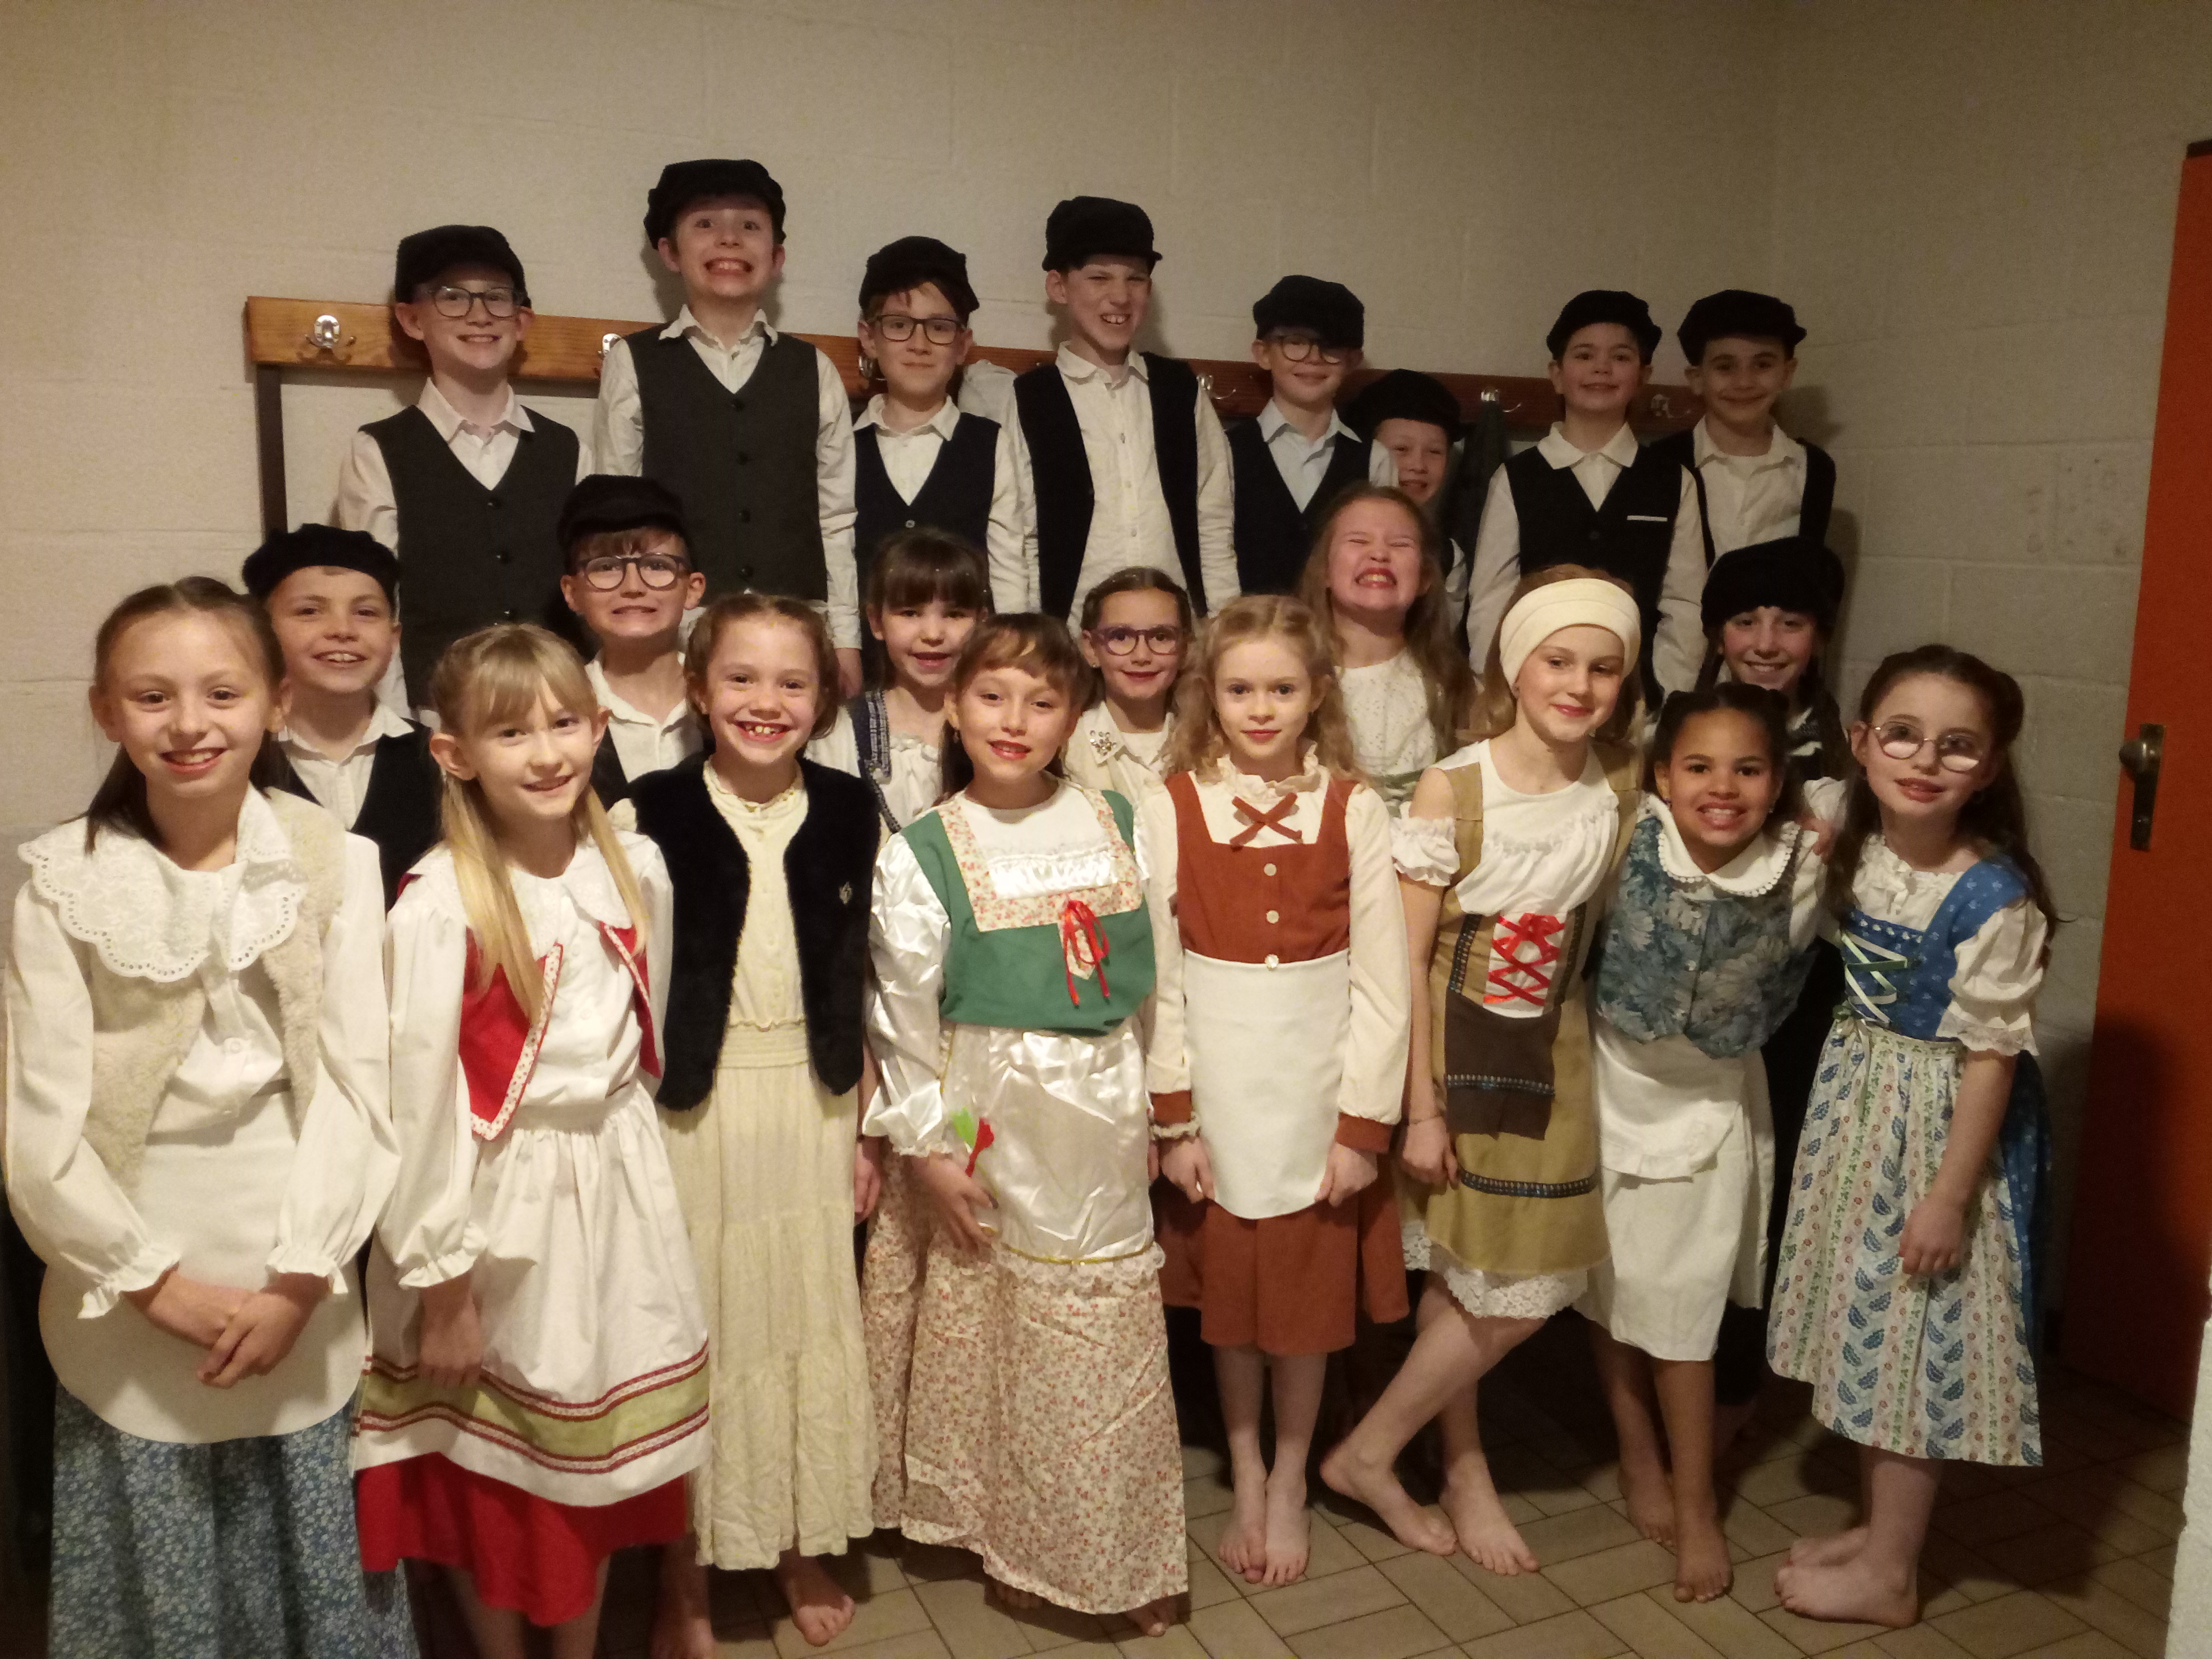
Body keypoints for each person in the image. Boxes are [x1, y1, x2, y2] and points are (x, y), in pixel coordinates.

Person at [5, 578, 405, 1657]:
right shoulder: (60, 883)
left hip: (297, 1256)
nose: (189, 724)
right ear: (107, 711)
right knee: (163, 1568)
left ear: (276, 703)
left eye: (222, 693)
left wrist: (299, 1278)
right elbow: (38, 1126)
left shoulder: (336, 862)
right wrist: (152, 1283)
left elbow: (360, 1086)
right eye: (152, 697)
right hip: (131, 1267)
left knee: (313, 1553)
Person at [353, 625, 707, 1659]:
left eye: (563, 723)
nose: (547, 752)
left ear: (599, 728)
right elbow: (419, 1106)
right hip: (494, 1209)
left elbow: (645, 1036)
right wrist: (441, 1283)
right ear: (455, 753)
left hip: (613, 1189)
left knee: (583, 1467)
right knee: (495, 1467)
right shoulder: (442, 905)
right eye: (511, 733)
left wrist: (620, 1160)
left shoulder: (633, 866)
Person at [863, 616, 1184, 1636]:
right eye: (992, 696)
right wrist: (930, 1149)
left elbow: (1160, 980)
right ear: (954, 709)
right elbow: (904, 1020)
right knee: (996, 1322)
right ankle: (999, 1532)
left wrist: (1166, 1108)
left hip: (1103, 1104)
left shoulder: (1119, 820)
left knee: (1096, 1337)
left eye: (1043, 702)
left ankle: (1105, 1550)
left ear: (1074, 716)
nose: (1015, 721)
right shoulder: (924, 850)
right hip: (986, 1100)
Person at [1319, 571, 1642, 1576]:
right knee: (1477, 1273)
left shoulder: (1621, 783)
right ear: (1515, 666)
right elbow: (1406, 959)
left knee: (1516, 1282)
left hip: (1553, 1049)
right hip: (1455, 1051)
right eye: (1558, 661)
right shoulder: (1453, 787)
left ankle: (1388, 1452)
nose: (1578, 685)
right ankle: (1447, 1462)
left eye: (1603, 668)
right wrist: (1418, 1108)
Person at [1766, 646, 2054, 1630]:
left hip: (1934, 1132)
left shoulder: (1994, 898)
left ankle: (1892, 1574)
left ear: (1991, 766)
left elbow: (1991, 1062)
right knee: (1869, 1331)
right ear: (1861, 742)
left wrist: (1947, 1197)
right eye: (1903, 735)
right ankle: (1878, 1531)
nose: (1926, 760)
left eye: (1958, 746)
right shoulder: (1861, 844)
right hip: (1860, 1111)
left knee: (1909, 1349)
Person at [617, 594, 881, 1653]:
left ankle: (793, 1541)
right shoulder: (649, 810)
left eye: (791, 682)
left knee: (802, 1318)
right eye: (740, 678)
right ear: (697, 688)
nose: (764, 701)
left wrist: (868, 1126)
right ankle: (683, 1568)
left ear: (823, 699)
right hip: (697, 1111)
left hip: (813, 1105)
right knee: (705, 1326)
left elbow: (871, 978)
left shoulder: (853, 809)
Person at [1146, 595, 1411, 1587]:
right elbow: (1160, 975)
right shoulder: (1173, 804)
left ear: (1318, 695)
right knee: (1232, 1302)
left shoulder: (1354, 807)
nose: (1261, 709)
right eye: (1240, 689)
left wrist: (1361, 1128)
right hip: (1217, 1095)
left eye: (1283, 689)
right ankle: (1247, 1468)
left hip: (1314, 1093)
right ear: (1209, 697)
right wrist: (1175, 1117)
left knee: (1303, 1303)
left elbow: (1383, 985)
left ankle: (1294, 1473)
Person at [1577, 683, 1837, 1603]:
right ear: (1662, 776)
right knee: (1609, 1283)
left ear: (1778, 784)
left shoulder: (1804, 868)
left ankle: (1697, 1504)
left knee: (1684, 1310)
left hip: (1712, 1104)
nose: (1721, 787)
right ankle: (1635, 1449)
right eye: (1698, 766)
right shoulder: (1625, 839)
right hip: (1610, 1085)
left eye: (1748, 769)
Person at [593, 159, 863, 695]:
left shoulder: (813, 369)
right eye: (704, 224)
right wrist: (628, 637)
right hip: (679, 635)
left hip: (797, 630)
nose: (729, 239)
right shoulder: (633, 362)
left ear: (776, 256)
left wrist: (847, 642)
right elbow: (616, 516)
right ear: (670, 252)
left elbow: (836, 520)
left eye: (749, 225)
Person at [1695, 539, 1854, 1440]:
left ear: (1819, 635)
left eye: (1789, 622)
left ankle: (1733, 1393)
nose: (1765, 642)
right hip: (1684, 993)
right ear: (1716, 633)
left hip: (1797, 1002)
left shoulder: (1848, 756)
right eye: (1746, 621)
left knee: (1766, 1185)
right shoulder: (1674, 732)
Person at [338, 224, 589, 713]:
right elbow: (376, 606)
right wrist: (398, 729)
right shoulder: (377, 451)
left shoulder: (569, 449)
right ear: (412, 319)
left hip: (556, 709)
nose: (479, 314)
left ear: (521, 320)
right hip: (437, 718)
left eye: (496, 297)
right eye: (452, 297)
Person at [1463, 291, 1705, 706]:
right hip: (1536, 698)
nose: (1602, 368)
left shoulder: (1672, 481)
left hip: (1637, 701)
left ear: (1643, 376)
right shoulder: (1516, 479)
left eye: (1621, 357)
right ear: (1557, 374)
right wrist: (1501, 690)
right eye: (1584, 355)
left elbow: (1685, 605)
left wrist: (1666, 694)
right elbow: (1491, 599)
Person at [1013, 196, 1236, 624]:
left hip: (1176, 636)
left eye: (1135, 279)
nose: (1119, 296)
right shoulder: (1029, 399)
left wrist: (1224, 626)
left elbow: (1212, 518)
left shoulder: (1180, 391)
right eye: (1099, 277)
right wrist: (1029, 639)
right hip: (1072, 639)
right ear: (1059, 287)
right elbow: (1023, 536)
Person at [244, 524, 441, 906]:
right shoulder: (237, 762)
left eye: (366, 612)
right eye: (309, 611)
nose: (342, 630)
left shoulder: (441, 761)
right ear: (262, 632)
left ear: (394, 638)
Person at [852, 236, 1029, 612]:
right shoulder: (842, 446)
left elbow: (1009, 575)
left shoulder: (989, 445)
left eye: (940, 326)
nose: (919, 344)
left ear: (962, 345)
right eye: (899, 324)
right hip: (863, 650)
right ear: (869, 339)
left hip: (969, 649)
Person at [1297, 484, 1472, 813]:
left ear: (1424, 578)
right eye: (1358, 541)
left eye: (1400, 544)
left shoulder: (1454, 686)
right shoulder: (1287, 681)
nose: (1379, 554)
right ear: (1324, 570)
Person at [810, 530, 990, 834]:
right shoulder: (841, 735)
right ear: (876, 621)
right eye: (910, 613)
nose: (933, 634)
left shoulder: (1000, 727)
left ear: (981, 622)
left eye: (954, 615)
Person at [1228, 278, 1390, 596]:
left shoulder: (1375, 460)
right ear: (1263, 353)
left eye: (1331, 346)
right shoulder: (1227, 450)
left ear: (1352, 361)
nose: (1313, 357)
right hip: (1251, 624)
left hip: (1342, 626)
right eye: (1296, 342)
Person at [1646, 291, 1834, 564]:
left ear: (1787, 373)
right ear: (1697, 379)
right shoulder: (1659, 463)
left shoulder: (1813, 468)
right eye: (1725, 367)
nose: (1744, 382)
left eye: (1763, 365)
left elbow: (1808, 574)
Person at [556, 475, 707, 806]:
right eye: (606, 567)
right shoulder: (555, 709)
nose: (633, 586)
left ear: (693, 588)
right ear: (572, 592)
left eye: (657, 565)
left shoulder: (734, 700)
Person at [1065, 566, 1193, 806]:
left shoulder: (1209, 743)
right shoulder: (1067, 748)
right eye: (1121, 636)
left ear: (1185, 647)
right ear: (1091, 648)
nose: (1142, 655)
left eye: (1161, 636)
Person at [1344, 368, 1467, 610]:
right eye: (1401, 449)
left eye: (1435, 452)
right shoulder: (1340, 541)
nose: (1418, 465)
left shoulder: (1448, 556)